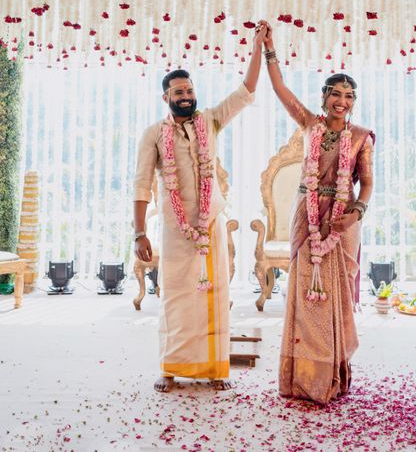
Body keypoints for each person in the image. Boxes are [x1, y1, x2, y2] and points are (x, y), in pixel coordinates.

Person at [132, 24, 267, 393]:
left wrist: (257, 48)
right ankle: (171, 368)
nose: (187, 96)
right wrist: (139, 232)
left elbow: (246, 92)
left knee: (214, 296)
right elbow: (142, 184)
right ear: (166, 98)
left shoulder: (210, 121)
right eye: (179, 92)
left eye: (190, 90)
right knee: (176, 297)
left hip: (211, 226)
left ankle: (214, 370)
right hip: (177, 229)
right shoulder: (153, 135)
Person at [258, 20, 375, 405]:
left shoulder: (360, 138)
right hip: (305, 215)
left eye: (349, 95)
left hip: (341, 219)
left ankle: (330, 376)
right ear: (324, 97)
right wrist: (268, 48)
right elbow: (280, 90)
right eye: (336, 94)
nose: (342, 101)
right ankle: (300, 378)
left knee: (333, 297)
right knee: (305, 293)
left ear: (354, 102)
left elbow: (368, 183)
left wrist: (355, 211)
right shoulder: (309, 124)